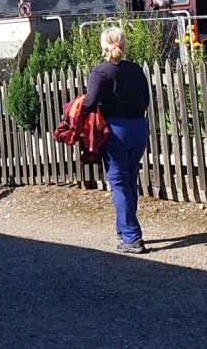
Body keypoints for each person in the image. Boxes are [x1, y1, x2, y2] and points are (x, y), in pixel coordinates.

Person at [83, 26, 151, 252]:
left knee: (119, 183)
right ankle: (127, 231)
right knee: (130, 179)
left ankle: (132, 237)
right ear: (124, 44)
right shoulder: (136, 69)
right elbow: (146, 101)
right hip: (139, 128)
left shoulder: (100, 72)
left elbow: (90, 103)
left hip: (115, 131)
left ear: (103, 47)